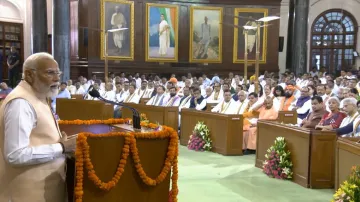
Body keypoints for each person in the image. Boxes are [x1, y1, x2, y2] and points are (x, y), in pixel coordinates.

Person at [0, 52, 76, 201]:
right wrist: (61, 148)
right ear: (29, 75)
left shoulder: (39, 96)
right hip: (26, 193)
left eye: (58, 73)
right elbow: (15, 155)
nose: (57, 79)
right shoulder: (21, 103)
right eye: (50, 73)